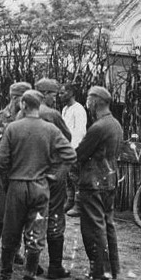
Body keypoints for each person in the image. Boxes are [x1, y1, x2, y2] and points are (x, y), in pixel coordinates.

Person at [0, 89, 76, 280]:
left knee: (11, 230)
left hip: (17, 186)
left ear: (22, 104)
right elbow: (70, 154)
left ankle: (5, 275)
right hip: (40, 188)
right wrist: (56, 174)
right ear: (38, 106)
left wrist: (7, 180)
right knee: (36, 230)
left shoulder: (13, 128)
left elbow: (0, 161)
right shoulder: (50, 129)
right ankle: (29, 278)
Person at [74, 86, 123, 280]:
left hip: (93, 182)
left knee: (93, 227)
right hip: (109, 181)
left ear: (96, 101)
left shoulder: (98, 127)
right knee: (107, 224)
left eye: (88, 98)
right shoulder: (115, 124)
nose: (87, 102)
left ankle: (98, 272)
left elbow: (80, 154)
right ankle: (111, 269)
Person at [0, 81, 31, 270]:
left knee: (19, 216)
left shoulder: (29, 120)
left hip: (21, 176)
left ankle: (13, 250)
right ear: (15, 98)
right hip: (1, 176)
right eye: (23, 99)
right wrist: (4, 159)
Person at [31, 77, 73, 279]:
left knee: (33, 216)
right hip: (53, 172)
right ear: (45, 94)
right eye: (53, 94)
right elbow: (67, 138)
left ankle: (34, 264)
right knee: (55, 214)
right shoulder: (52, 115)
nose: (55, 98)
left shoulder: (23, 113)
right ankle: (55, 266)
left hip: (31, 172)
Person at [60, 83, 87, 217]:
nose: (60, 95)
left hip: (74, 148)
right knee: (67, 177)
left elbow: (80, 132)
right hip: (64, 148)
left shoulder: (79, 109)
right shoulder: (65, 109)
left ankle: (78, 204)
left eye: (63, 92)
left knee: (75, 177)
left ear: (71, 93)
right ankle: (69, 201)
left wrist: (73, 150)